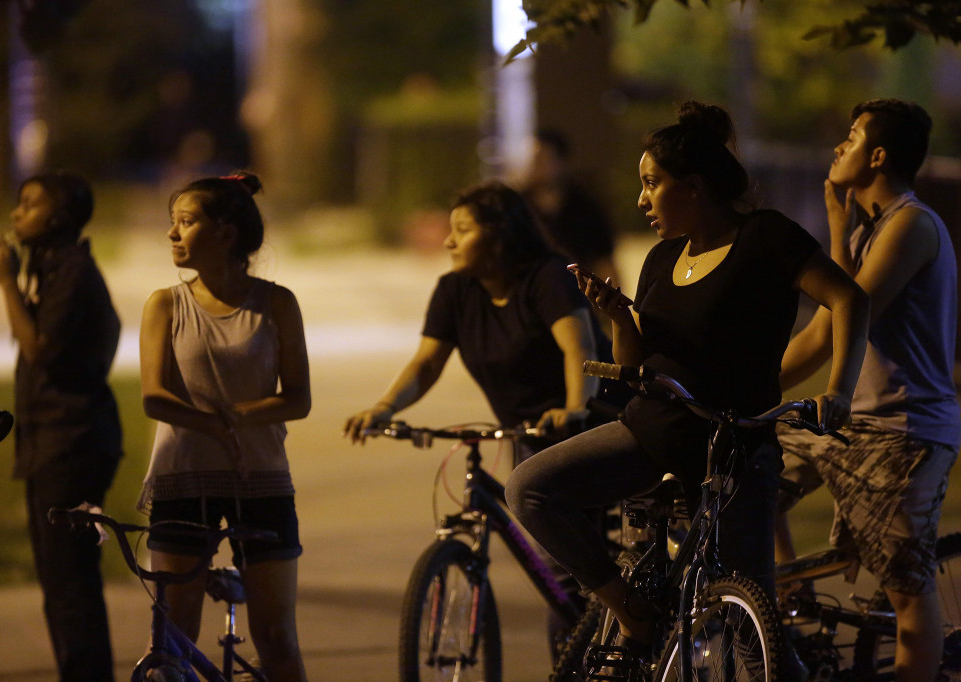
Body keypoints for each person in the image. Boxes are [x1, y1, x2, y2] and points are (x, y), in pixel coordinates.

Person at [505, 101, 870, 672]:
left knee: (755, 638)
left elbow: (849, 298)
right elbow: (636, 368)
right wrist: (619, 322)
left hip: (737, 449)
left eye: (652, 184)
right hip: (649, 435)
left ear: (693, 185)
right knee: (530, 488)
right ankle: (630, 611)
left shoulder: (765, 236)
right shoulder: (660, 259)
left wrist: (840, 392)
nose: (642, 199)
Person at [343, 180, 620, 655]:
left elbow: (581, 347)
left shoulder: (547, 276)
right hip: (529, 430)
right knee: (564, 568)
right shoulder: (455, 290)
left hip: (589, 421)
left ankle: (609, 640)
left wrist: (575, 409)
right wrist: (384, 407)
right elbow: (427, 362)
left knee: (567, 572)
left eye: (462, 229)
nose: (448, 241)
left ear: (500, 233)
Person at [776, 99, 959, 682]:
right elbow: (822, 329)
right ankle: (787, 594)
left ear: (877, 156)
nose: (838, 147)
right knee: (745, 466)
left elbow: (845, 319)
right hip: (855, 425)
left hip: (902, 434)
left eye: (850, 137)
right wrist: (747, 389)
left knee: (908, 591)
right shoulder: (872, 229)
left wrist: (836, 228)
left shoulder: (910, 225)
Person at [138, 173, 311, 681]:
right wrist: (216, 426)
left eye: (186, 222)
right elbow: (155, 395)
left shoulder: (277, 303)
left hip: (262, 481)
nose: (172, 233)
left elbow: (297, 399)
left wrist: (239, 417)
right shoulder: (165, 304)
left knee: (277, 638)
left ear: (225, 232)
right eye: (172, 223)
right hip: (182, 480)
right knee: (173, 636)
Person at [0, 171, 122, 682]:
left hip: (72, 444)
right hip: (53, 443)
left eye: (29, 204)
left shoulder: (73, 274)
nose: (16, 213)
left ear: (60, 216)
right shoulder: (53, 269)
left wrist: (5, 283)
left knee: (71, 584)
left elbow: (40, 348)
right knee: (60, 581)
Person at [522, 128, 619, 285]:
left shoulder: (585, 208)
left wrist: (610, 302)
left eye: (543, 159)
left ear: (561, 162)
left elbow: (604, 261)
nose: (536, 166)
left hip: (577, 296)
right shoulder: (519, 206)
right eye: (534, 159)